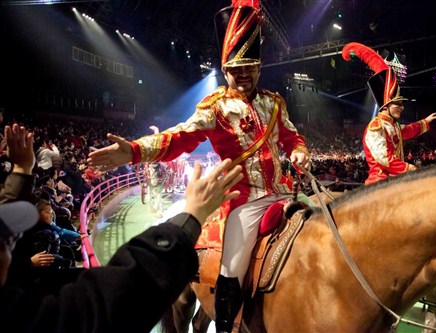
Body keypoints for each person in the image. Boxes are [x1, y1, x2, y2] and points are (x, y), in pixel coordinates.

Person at [87, 1, 310, 332]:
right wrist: (133, 151)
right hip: (244, 202)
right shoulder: (215, 107)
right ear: (224, 69)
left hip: (282, 194)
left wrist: (300, 153)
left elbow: (292, 139)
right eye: (235, 68)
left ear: (259, 66)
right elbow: (179, 139)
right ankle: (224, 326)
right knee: (232, 267)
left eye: (249, 66)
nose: (243, 75)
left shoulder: (274, 103)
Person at [1, 122, 244, 332]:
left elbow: (6, 211)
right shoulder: (34, 319)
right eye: (3, 242)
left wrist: (22, 170)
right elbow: (120, 293)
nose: (8, 241)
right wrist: (193, 214)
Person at [342, 42, 436, 185]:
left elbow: (408, 130)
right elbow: (383, 158)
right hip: (380, 182)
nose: (402, 107)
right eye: (397, 104)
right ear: (386, 106)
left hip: (394, 180)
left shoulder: (393, 126)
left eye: (402, 104)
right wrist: (407, 167)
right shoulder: (376, 126)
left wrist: (425, 122)